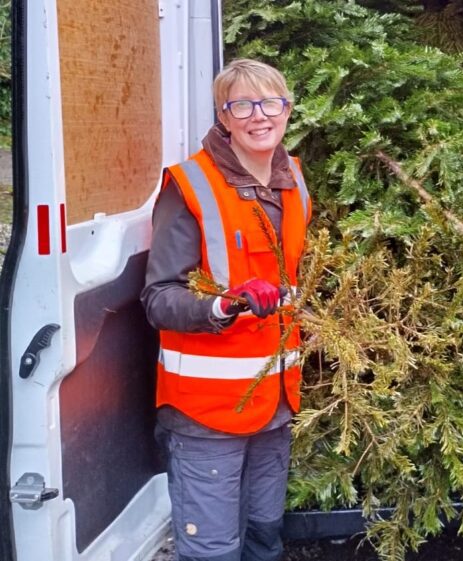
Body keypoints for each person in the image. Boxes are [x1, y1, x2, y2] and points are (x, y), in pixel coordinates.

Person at [141, 58, 311, 561]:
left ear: (288, 110)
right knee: (213, 550)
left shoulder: (294, 179)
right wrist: (225, 304)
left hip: (276, 404)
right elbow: (158, 299)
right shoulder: (189, 186)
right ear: (224, 116)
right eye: (242, 105)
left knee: (263, 538)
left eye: (270, 103)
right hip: (206, 413)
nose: (259, 116)